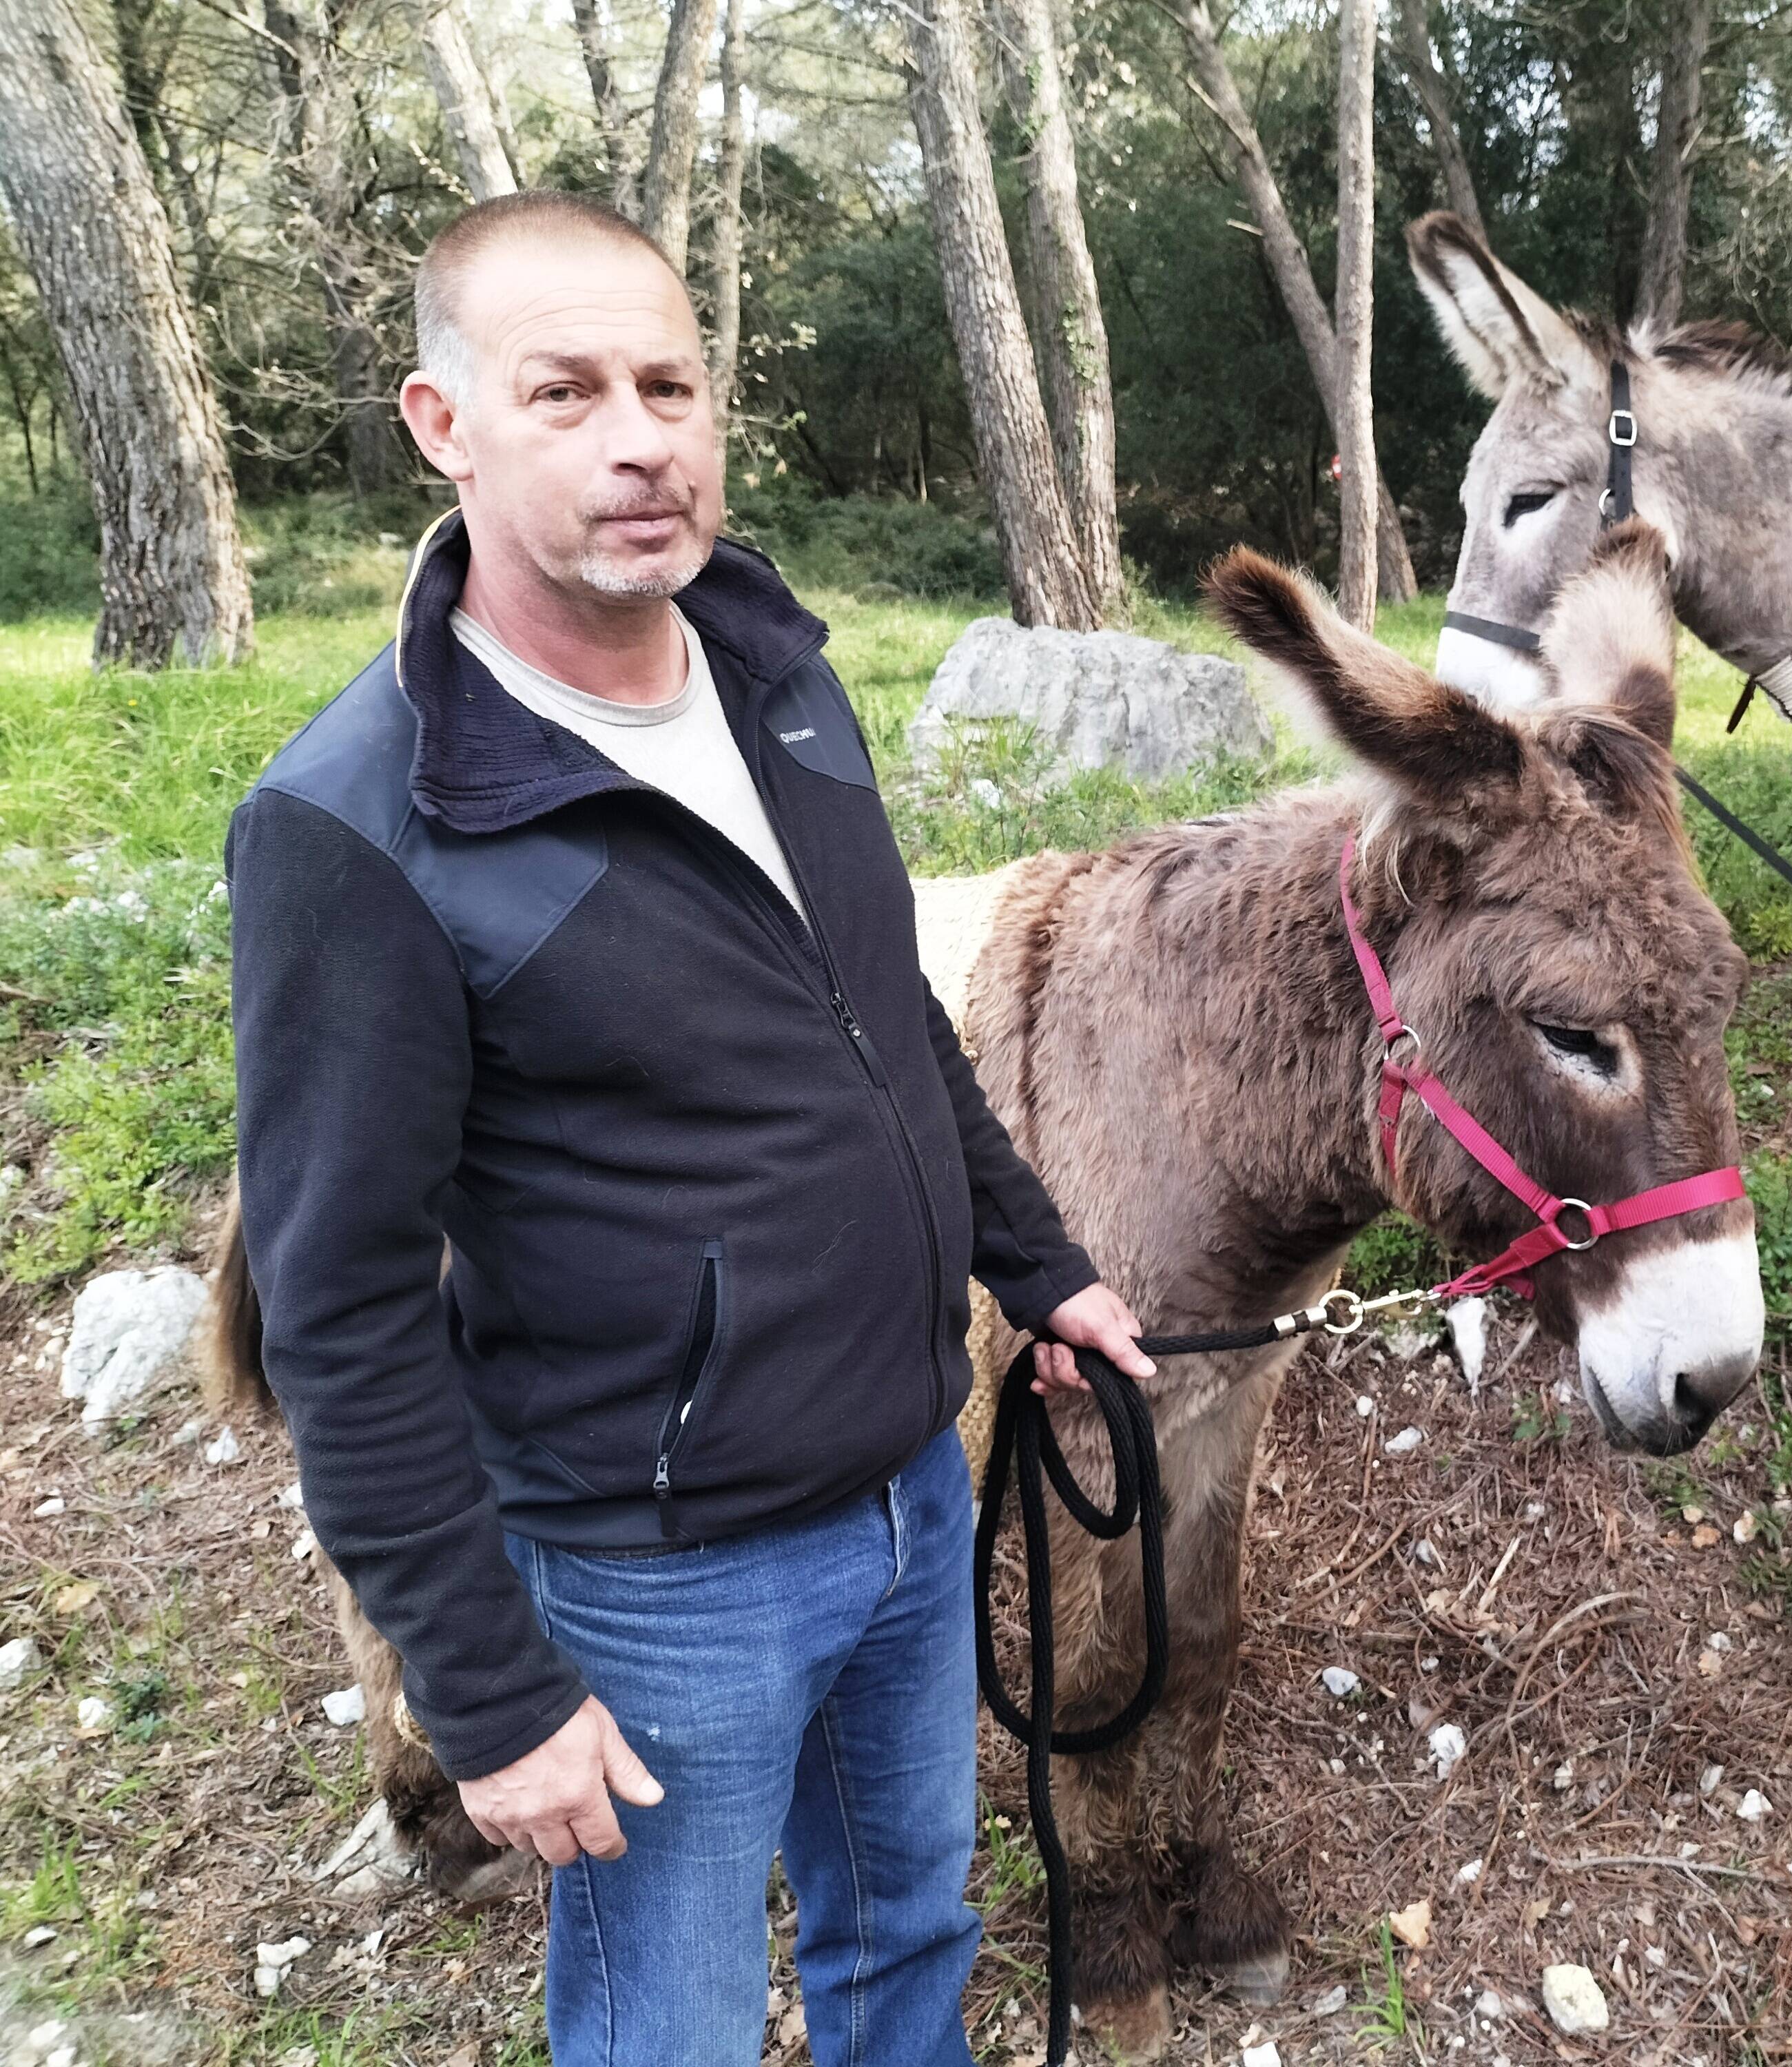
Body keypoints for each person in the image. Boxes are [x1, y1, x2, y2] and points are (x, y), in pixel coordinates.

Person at [225, 189, 1151, 2067]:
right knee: (678, 2023)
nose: (641, 438)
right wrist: (487, 1694)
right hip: (664, 1586)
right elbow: (339, 1313)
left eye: (671, 383)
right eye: (564, 392)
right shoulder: (359, 826)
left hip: (908, 1483)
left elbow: (888, 1023)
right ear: (444, 422)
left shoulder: (779, 679)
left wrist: (1039, 1274)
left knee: (913, 1929)